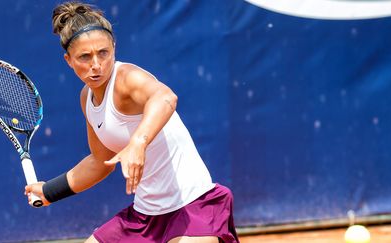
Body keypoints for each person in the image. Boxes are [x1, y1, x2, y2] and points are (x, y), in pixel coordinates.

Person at [24, 2, 239, 243]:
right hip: (145, 215)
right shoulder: (87, 98)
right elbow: (99, 162)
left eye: (103, 53)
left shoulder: (127, 78)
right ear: (69, 60)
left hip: (194, 205)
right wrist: (49, 191)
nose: (96, 64)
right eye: (85, 56)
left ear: (114, 48)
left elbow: (166, 97)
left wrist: (138, 141)